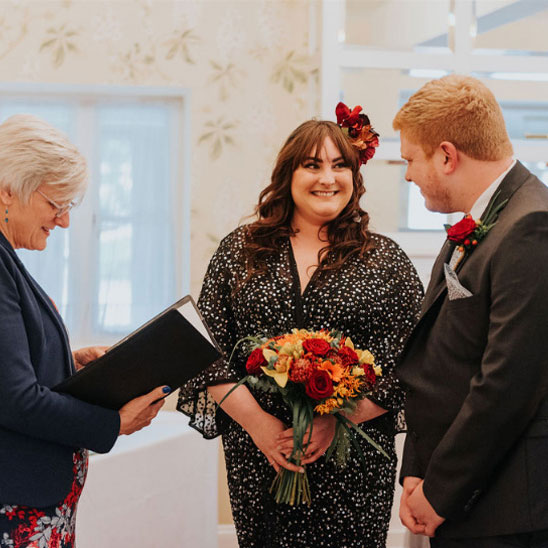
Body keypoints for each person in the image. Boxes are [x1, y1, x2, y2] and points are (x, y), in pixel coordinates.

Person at [177, 106, 423, 547]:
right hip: (259, 458)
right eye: (312, 165)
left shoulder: (386, 261)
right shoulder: (241, 251)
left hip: (354, 463)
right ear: (288, 175)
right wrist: (260, 427)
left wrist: (336, 421)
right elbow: (205, 350)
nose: (327, 178)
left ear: (355, 176)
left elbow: (413, 362)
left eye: (339, 165)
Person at [0, 114, 169, 547]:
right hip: (15, 507)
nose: (63, 222)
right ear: (7, 192)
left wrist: (68, 362)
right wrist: (114, 423)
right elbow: (16, 400)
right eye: (56, 205)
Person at [393, 74, 548, 547]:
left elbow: (506, 383)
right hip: (462, 492)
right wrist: (417, 470)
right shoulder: (480, 219)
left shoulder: (530, 227)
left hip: (505, 506)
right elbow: (437, 357)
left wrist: (440, 492)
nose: (408, 175)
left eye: (411, 160)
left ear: (446, 155)